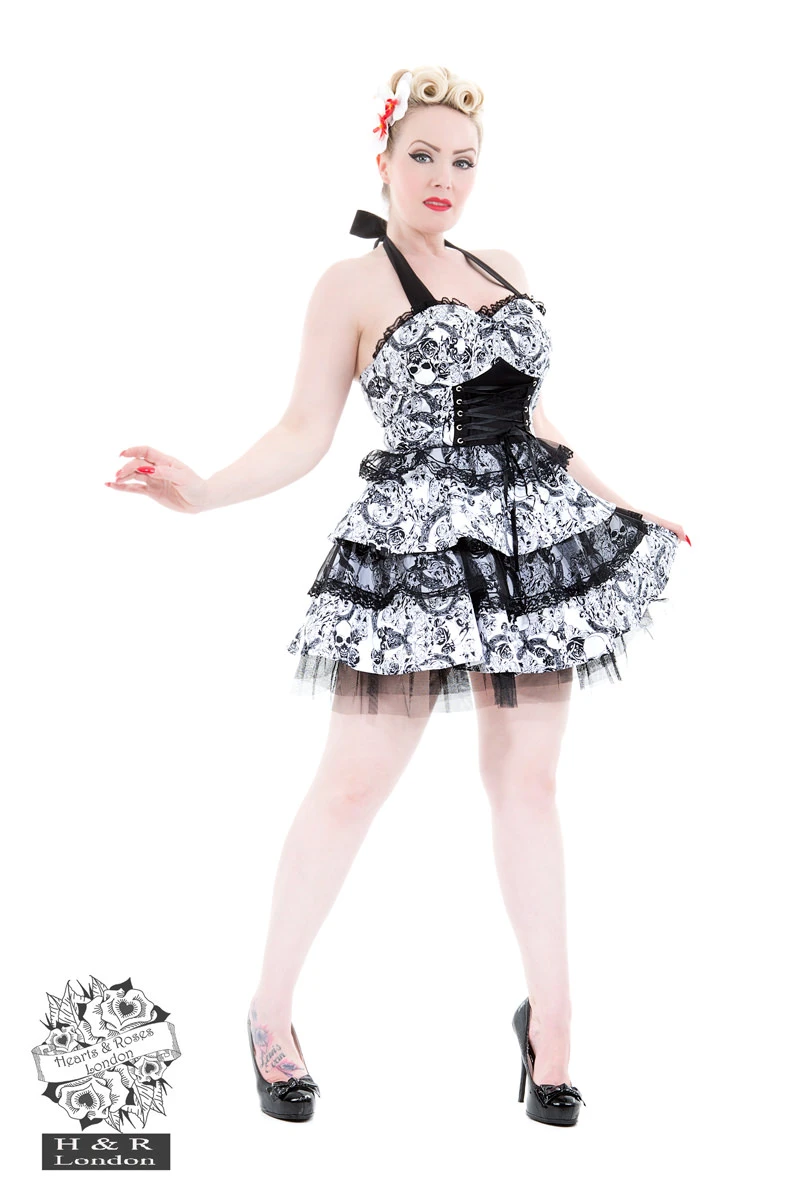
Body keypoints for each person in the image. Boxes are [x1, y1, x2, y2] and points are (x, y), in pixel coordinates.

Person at [105, 64, 689, 1126]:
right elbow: (303, 431)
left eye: (461, 161)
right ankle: (269, 1013)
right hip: (414, 551)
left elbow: (538, 423)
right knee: (350, 788)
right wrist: (204, 491)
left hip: (527, 544)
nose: (441, 177)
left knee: (529, 785)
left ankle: (553, 1026)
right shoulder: (351, 284)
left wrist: (624, 504)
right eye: (421, 155)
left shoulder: (504, 265)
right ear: (381, 159)